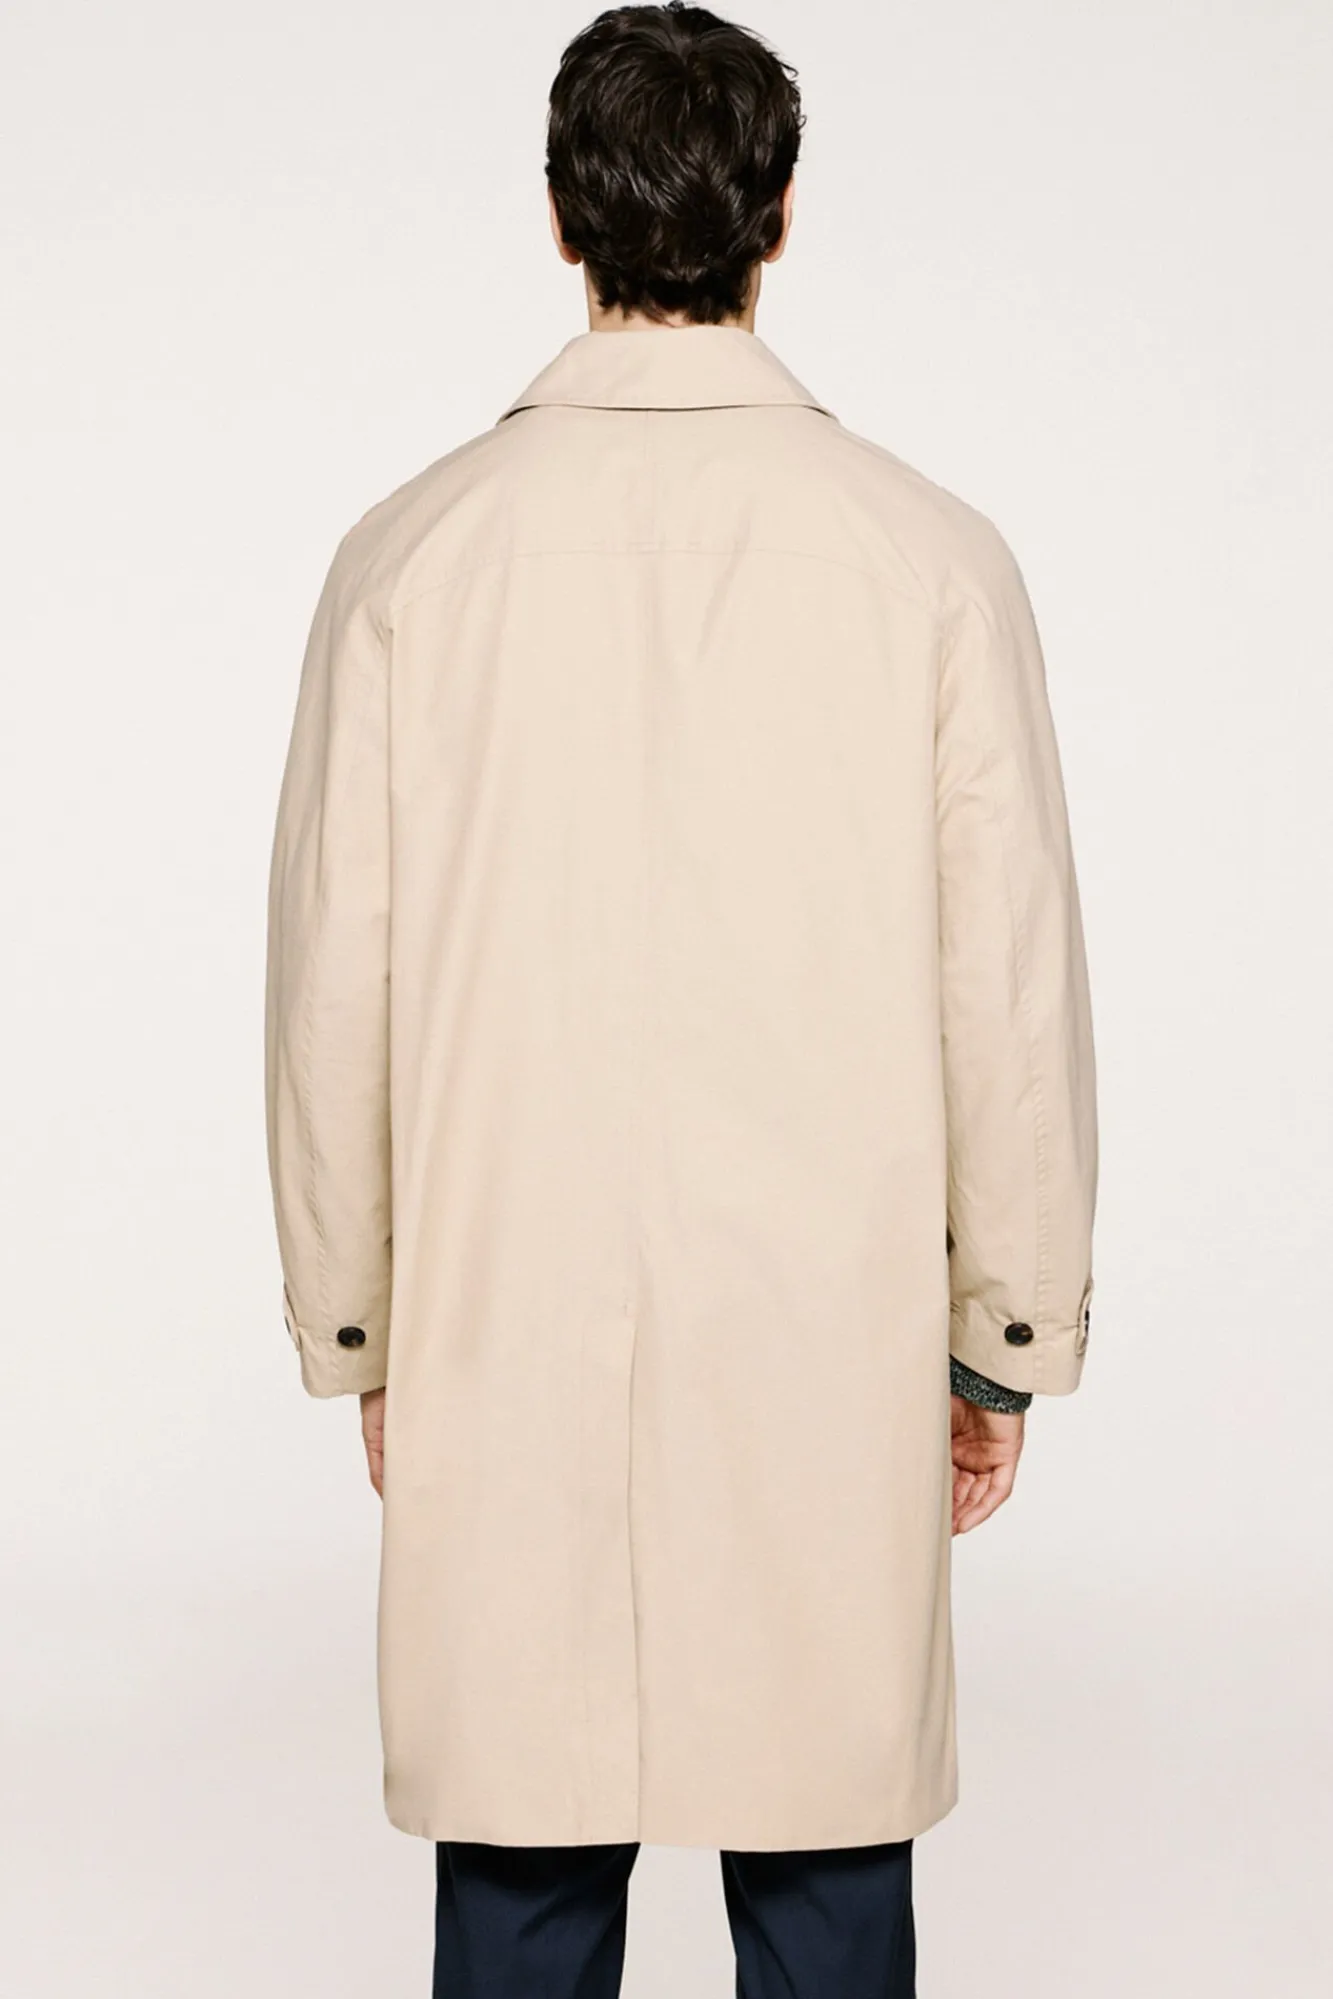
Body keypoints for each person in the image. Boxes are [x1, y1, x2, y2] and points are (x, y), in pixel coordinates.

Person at [263, 5, 1098, 1993]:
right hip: (825, 1336)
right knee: (824, 1860)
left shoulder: (408, 562)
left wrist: (363, 1325)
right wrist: (999, 1342)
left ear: (563, 218)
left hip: (503, 1316)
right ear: (778, 219)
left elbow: (329, 988)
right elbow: (1007, 991)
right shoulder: (931, 561)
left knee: (523, 1862)